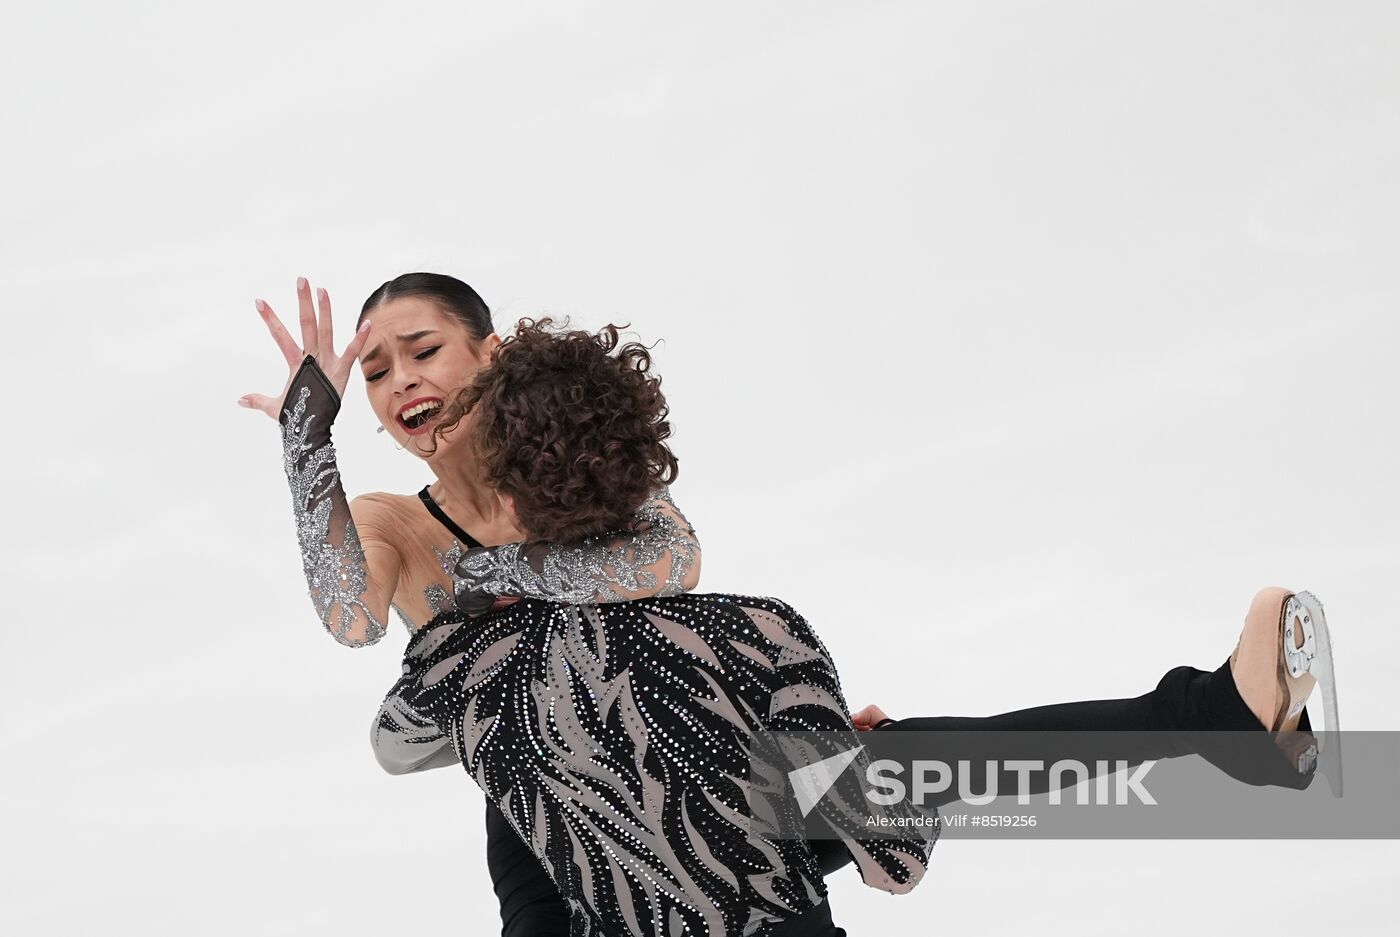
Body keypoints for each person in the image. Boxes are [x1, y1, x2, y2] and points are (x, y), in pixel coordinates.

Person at [241, 274, 1340, 936]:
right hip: (540, 804)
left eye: (420, 351)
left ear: (491, 351)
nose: (396, 384)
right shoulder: (388, 519)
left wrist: (488, 588)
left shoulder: (568, 457)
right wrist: (306, 439)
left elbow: (663, 559)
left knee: (914, 761)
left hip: (685, 748)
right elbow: (349, 621)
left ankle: (1231, 719)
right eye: (373, 373)